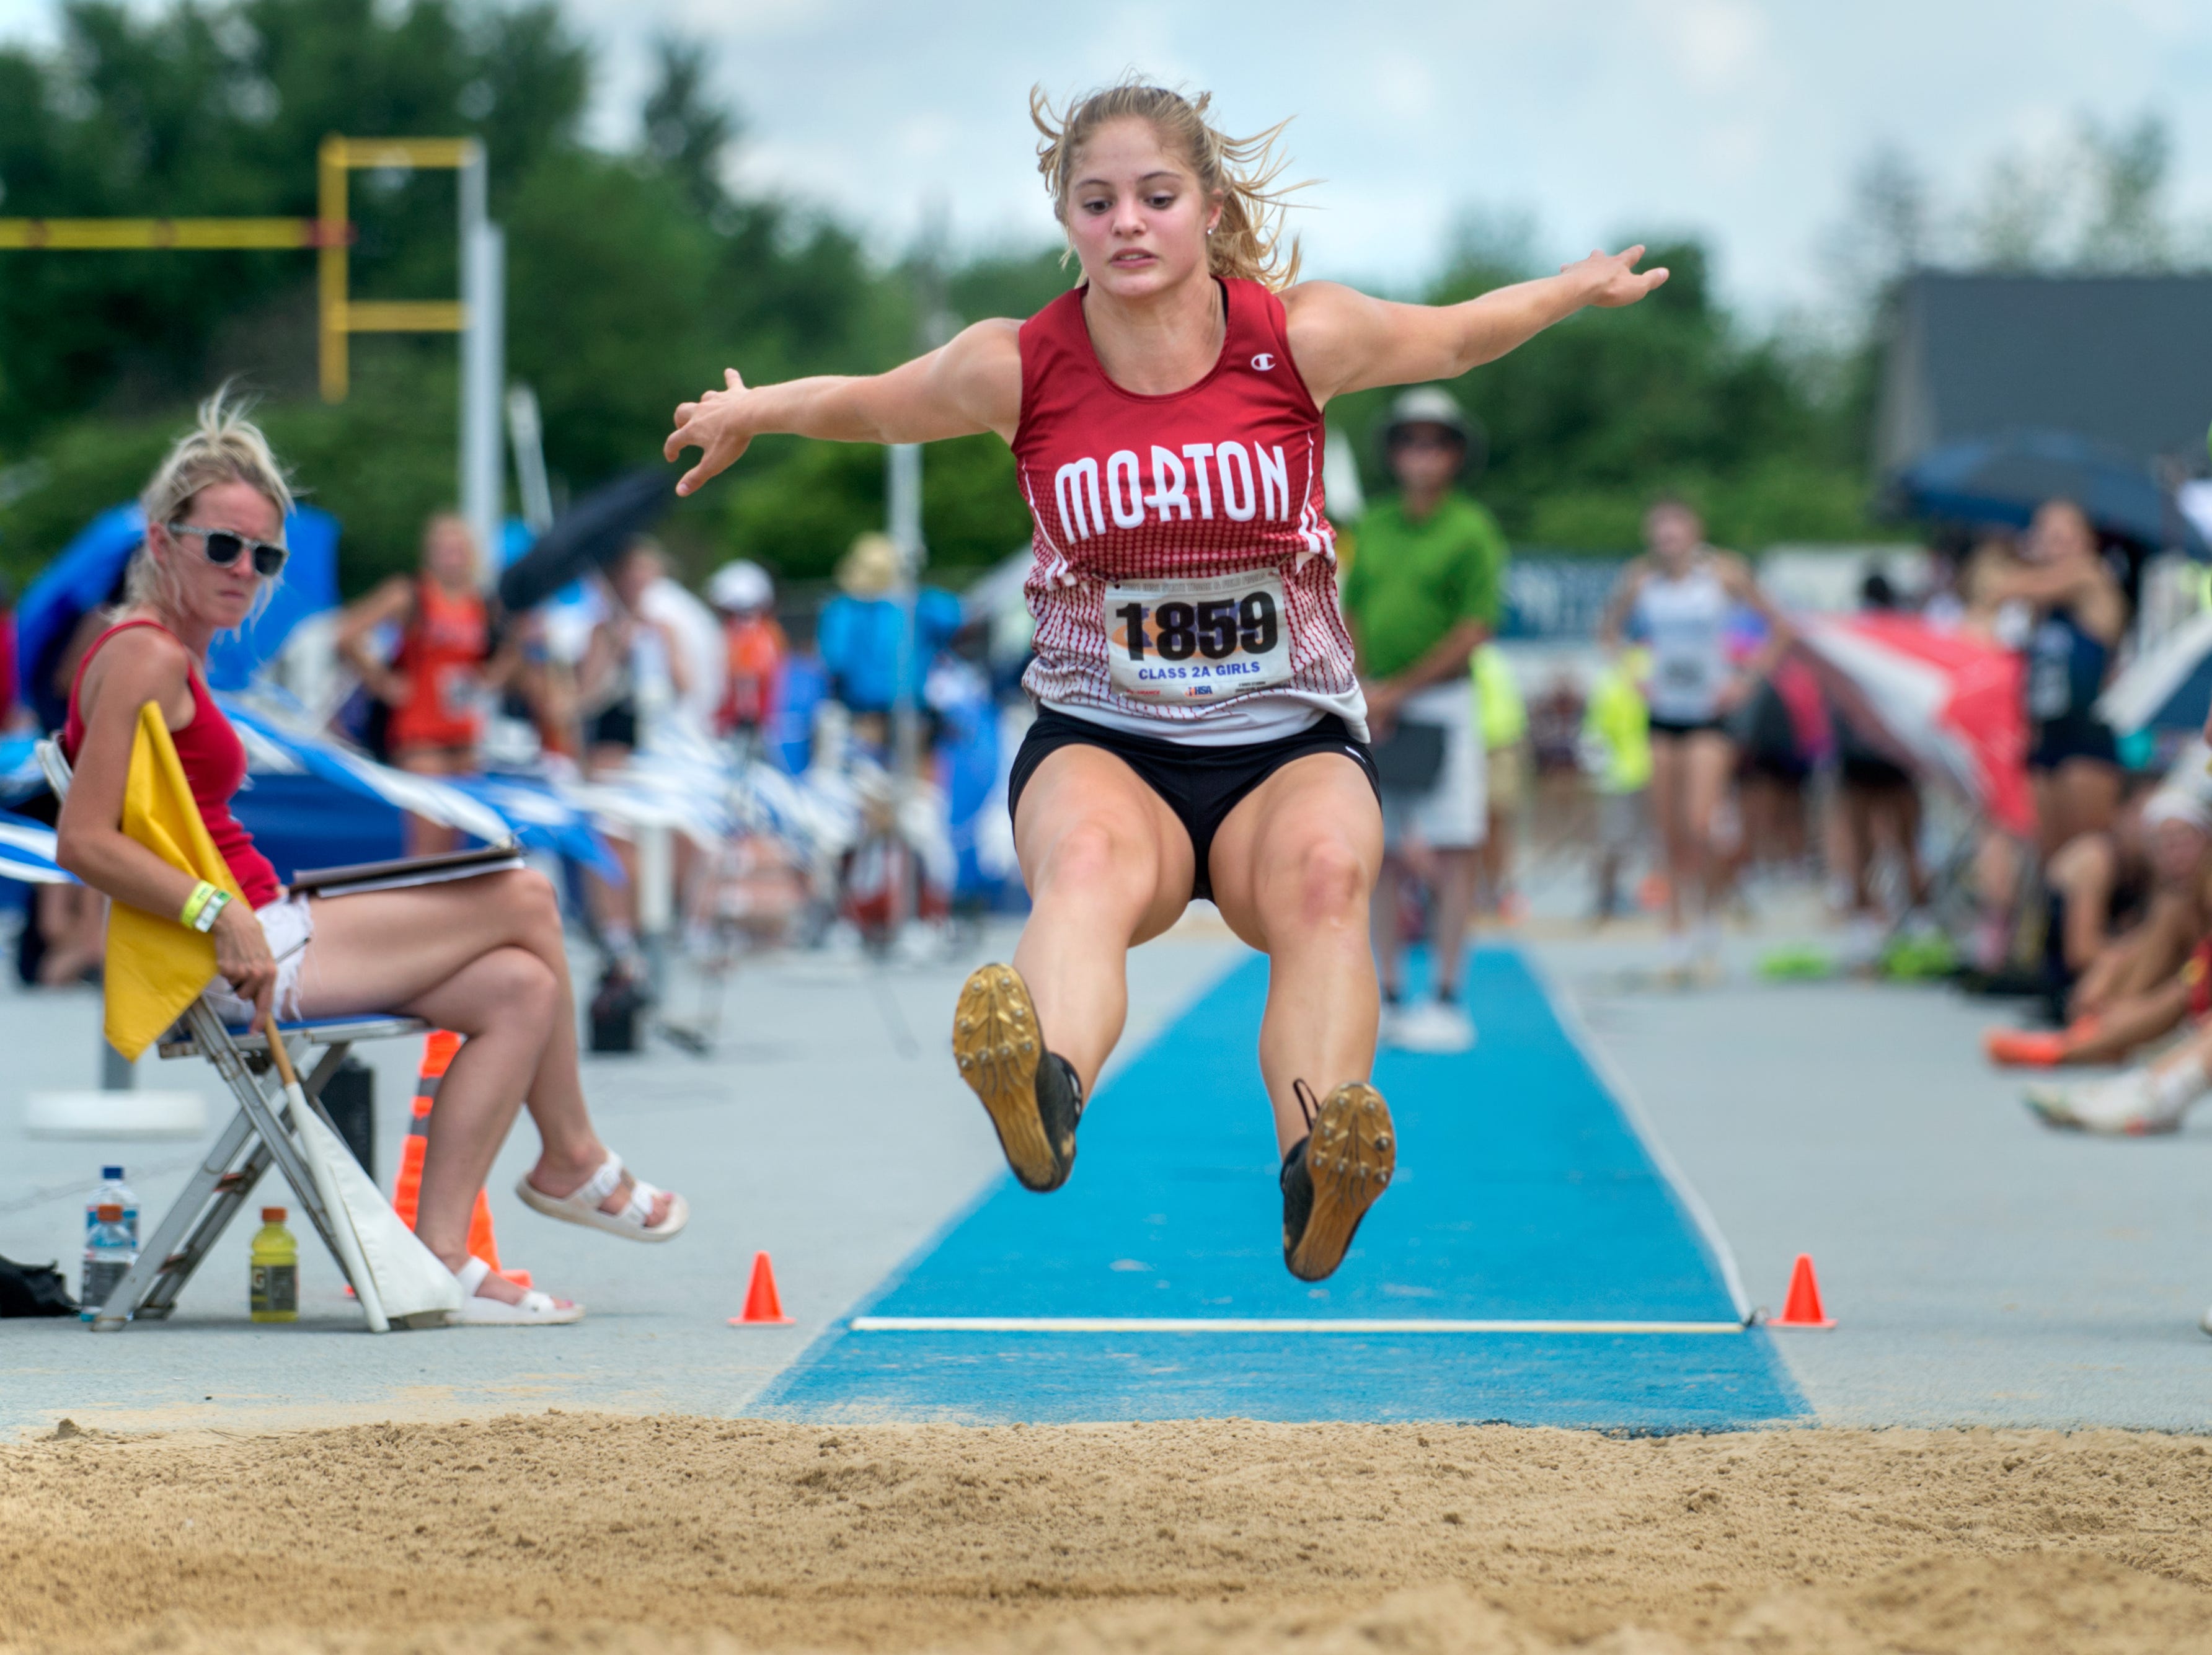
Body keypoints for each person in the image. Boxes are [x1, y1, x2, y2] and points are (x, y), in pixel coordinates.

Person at [665, 77, 1668, 1279]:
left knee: (1325, 879)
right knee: (1081, 872)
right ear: (1064, 218)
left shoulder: (1299, 339)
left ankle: (1317, 1168)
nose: (1125, 224)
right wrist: (752, 410)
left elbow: (1451, 335)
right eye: (1096, 203)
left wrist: (1569, 288)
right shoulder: (1017, 365)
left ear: (1206, 206)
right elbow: (871, 408)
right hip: (1104, 739)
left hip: (1285, 741)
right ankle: (1043, 1090)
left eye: (1154, 197)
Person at [55, 393, 687, 1325]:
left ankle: (444, 1258)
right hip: (239, 949)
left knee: (522, 986)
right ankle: (573, 1156)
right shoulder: (145, 656)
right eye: (221, 545)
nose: (243, 570)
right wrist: (213, 912)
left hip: (259, 924)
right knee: (525, 897)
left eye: (263, 555)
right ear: (162, 539)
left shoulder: (169, 654)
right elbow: (84, 837)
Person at [1340, 386, 1506, 1054]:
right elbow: (1349, 609)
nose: (1421, 453)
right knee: (1378, 853)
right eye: (1410, 440)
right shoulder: (1373, 525)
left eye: (1435, 441)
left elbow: (1474, 629)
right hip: (1374, 700)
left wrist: (1399, 690)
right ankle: (1385, 990)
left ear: (1455, 454)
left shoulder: (1471, 528)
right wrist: (1359, 686)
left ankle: (1445, 991)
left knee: (1454, 845)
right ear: (1394, 451)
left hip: (1438, 702)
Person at [1598, 500, 1789, 981]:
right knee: (1668, 832)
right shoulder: (1641, 580)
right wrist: (1633, 673)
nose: (1668, 540)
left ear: (1693, 532)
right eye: (1659, 532)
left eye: (1676, 530)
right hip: (1664, 713)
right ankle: (1676, 931)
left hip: (1709, 714)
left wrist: (1744, 680)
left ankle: (1708, 913)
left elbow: (1781, 628)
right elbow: (1608, 632)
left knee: (1700, 825)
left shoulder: (1723, 574)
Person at [334, 513, 511, 854]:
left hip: (463, 733)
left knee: (456, 843)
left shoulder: (481, 604)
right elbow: (346, 633)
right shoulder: (410, 594)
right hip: (419, 734)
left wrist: (491, 677)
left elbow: (501, 656)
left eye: (459, 551)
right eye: (444, 550)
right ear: (430, 554)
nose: (452, 559)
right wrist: (383, 681)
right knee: (428, 840)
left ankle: (446, 907)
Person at [1982, 499, 2127, 859]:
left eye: (2063, 538)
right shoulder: (2042, 607)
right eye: (2046, 537)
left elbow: (1999, 587)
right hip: (2045, 736)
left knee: (2084, 855)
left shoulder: (2091, 577)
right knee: (2048, 859)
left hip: (2086, 736)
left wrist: (2011, 556)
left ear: (2086, 541)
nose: (2053, 547)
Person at [1472, 643, 1529, 923]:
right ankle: (1480, 890)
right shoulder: (1476, 659)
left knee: (1499, 822)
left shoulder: (1495, 659)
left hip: (1500, 747)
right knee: (1475, 826)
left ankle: (1498, 888)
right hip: (1475, 749)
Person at [708, 559, 788, 739]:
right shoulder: (767, 631)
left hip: (743, 724)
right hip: (746, 721)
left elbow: (748, 677)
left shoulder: (751, 634)